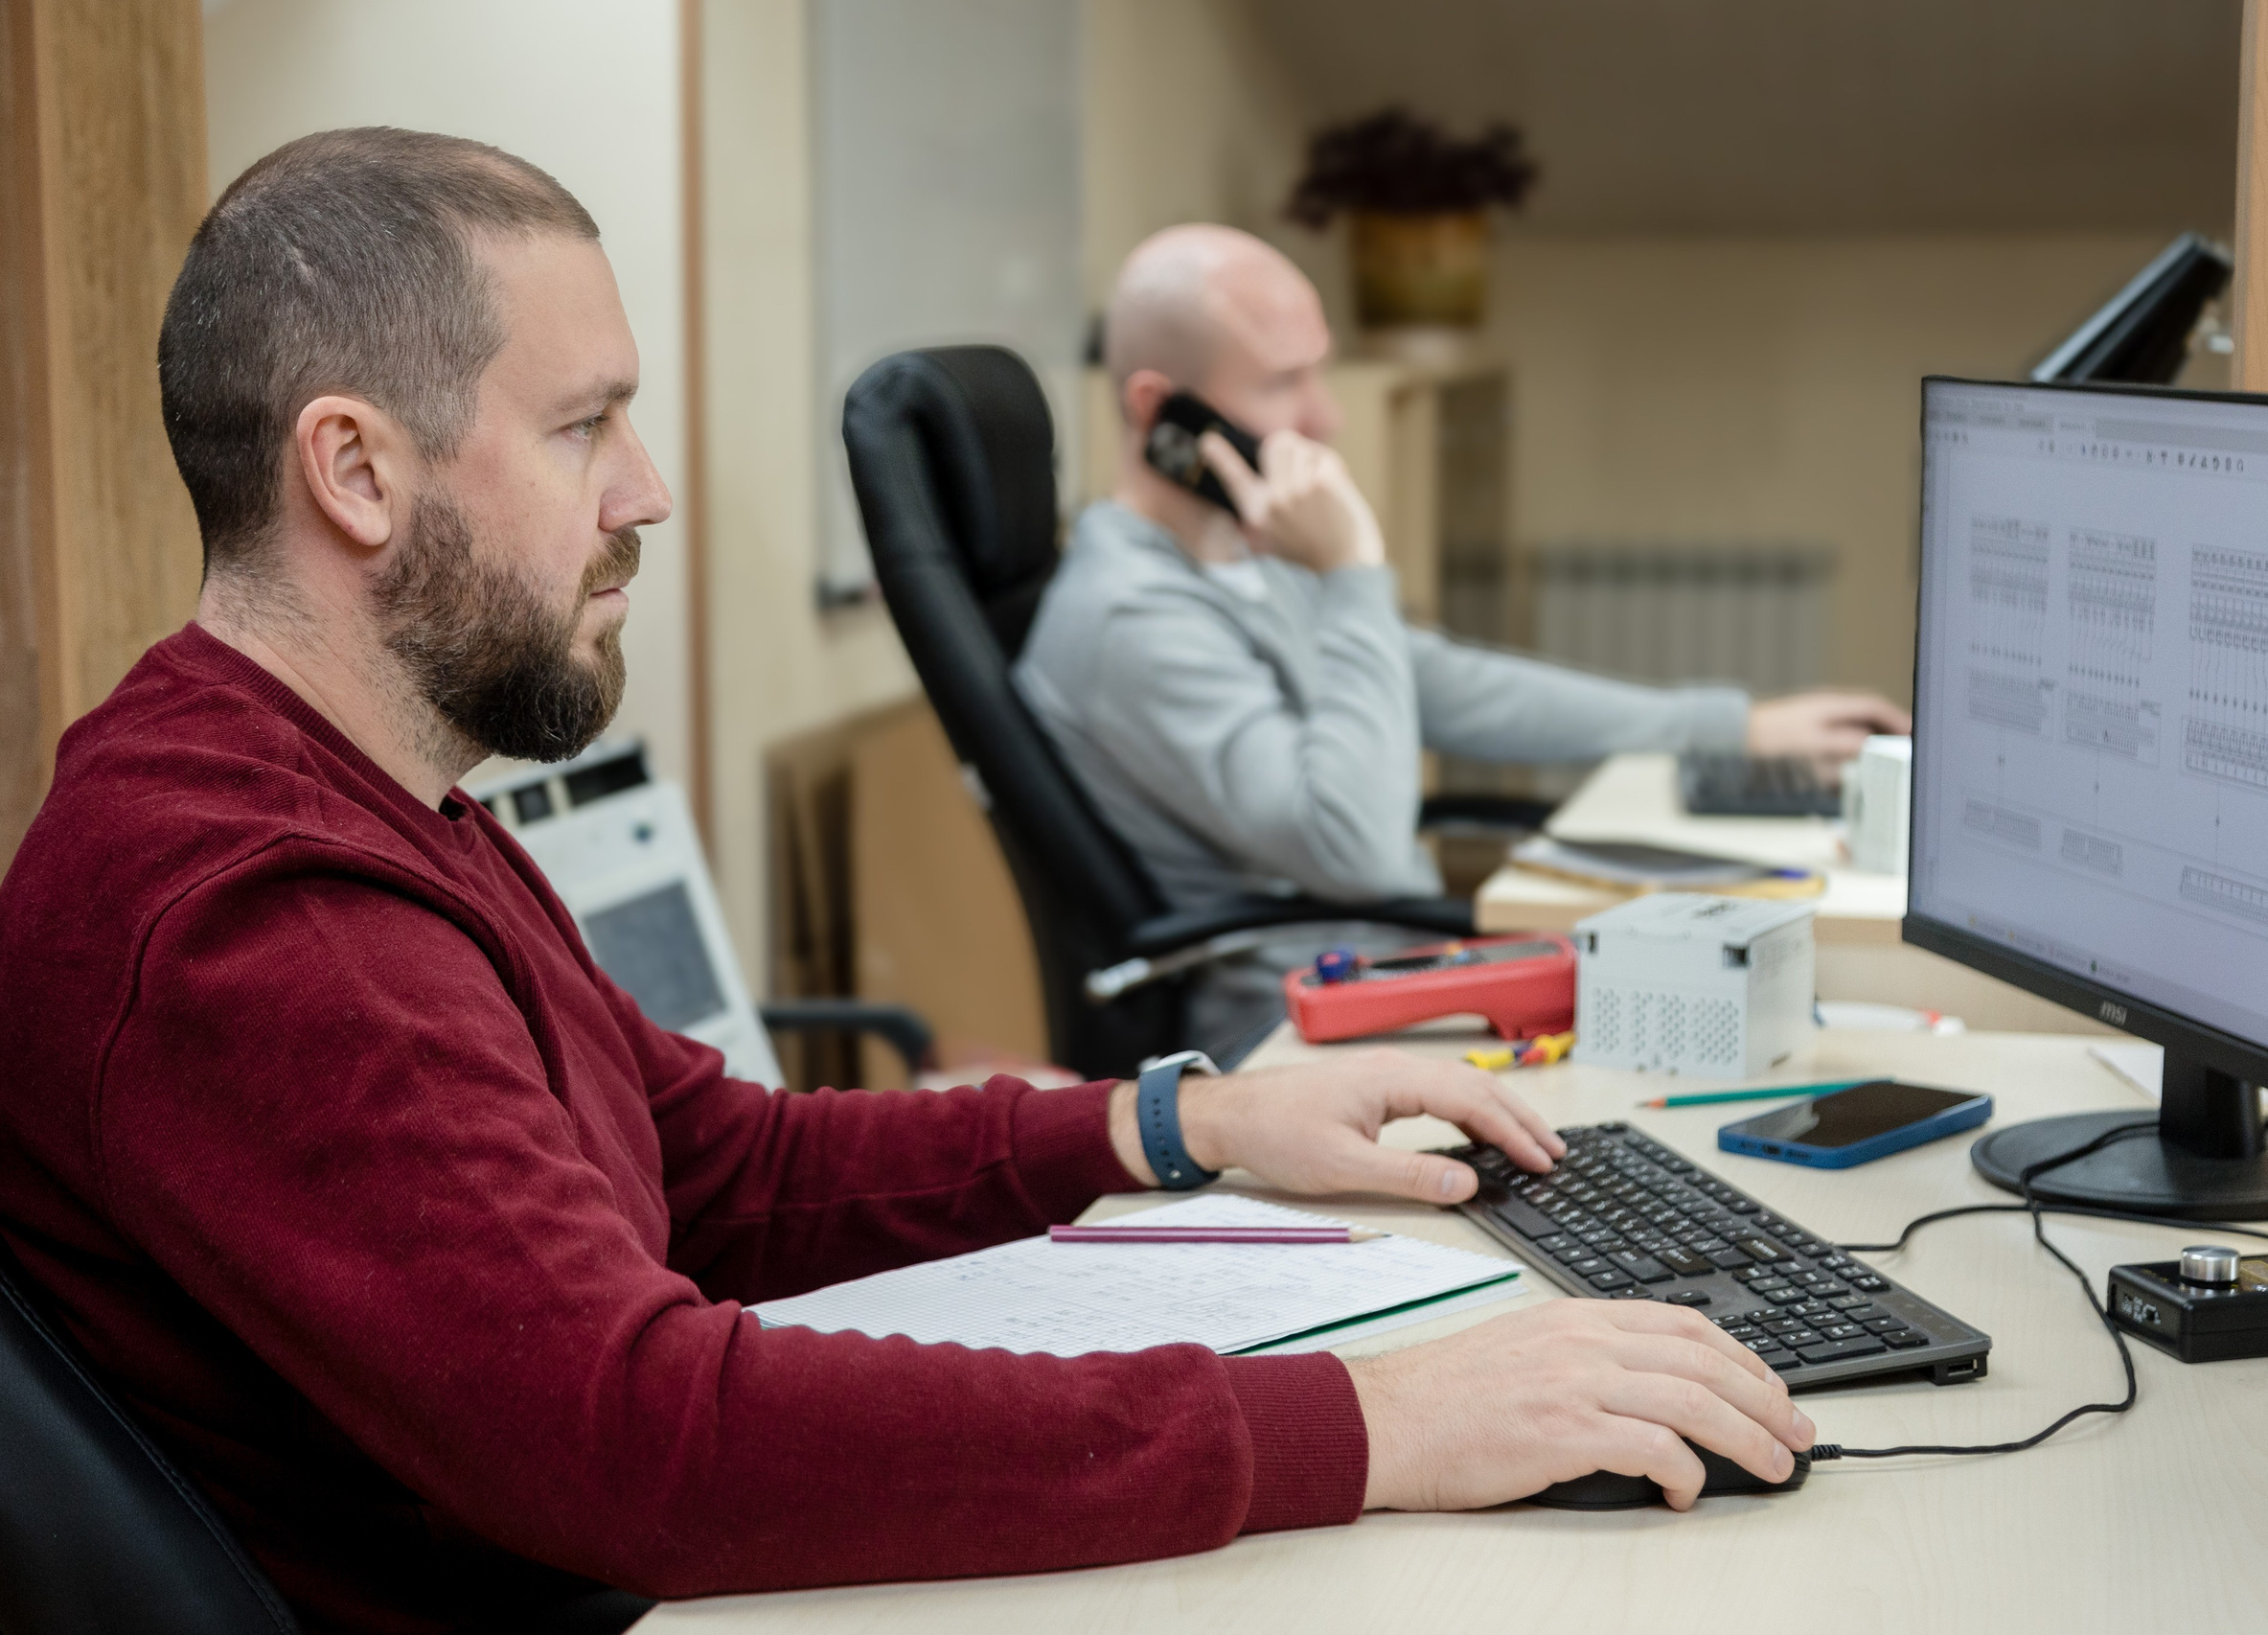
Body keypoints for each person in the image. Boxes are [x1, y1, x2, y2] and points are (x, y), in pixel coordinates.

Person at [0, 129, 1814, 1633]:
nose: (644, 491)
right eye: (582, 426)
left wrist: (1182, 1124)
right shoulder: (253, 910)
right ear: (356, 471)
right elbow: (644, 1443)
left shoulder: (375, 803)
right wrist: (1358, 1421)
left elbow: (720, 1166)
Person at [1017, 225, 1911, 1054]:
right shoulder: (1132, 618)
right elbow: (1357, 851)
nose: (1325, 418)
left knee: (1793, 1007)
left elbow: (1441, 684)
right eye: (1284, 383)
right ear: (1162, 411)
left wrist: (1733, 729)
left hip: (1400, 979)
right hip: (1296, 1035)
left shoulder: (1236, 552)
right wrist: (1350, 572)